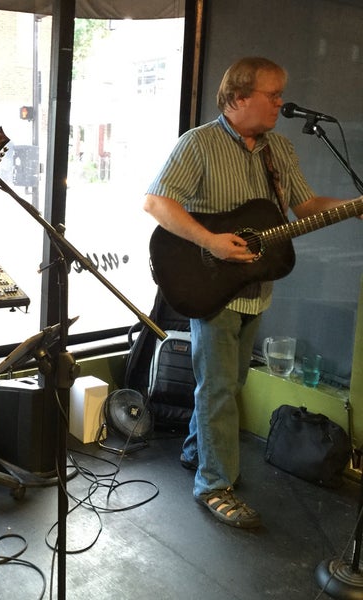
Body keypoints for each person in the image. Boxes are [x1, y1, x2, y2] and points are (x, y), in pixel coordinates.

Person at [143, 56, 357, 529]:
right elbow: (156, 201)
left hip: (253, 288)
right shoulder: (197, 144)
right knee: (218, 387)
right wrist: (211, 241)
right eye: (272, 94)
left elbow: (305, 207)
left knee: (230, 383)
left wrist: (352, 205)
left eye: (282, 94)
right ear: (239, 98)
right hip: (210, 286)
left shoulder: (278, 150)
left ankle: (198, 449)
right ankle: (214, 485)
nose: (281, 102)